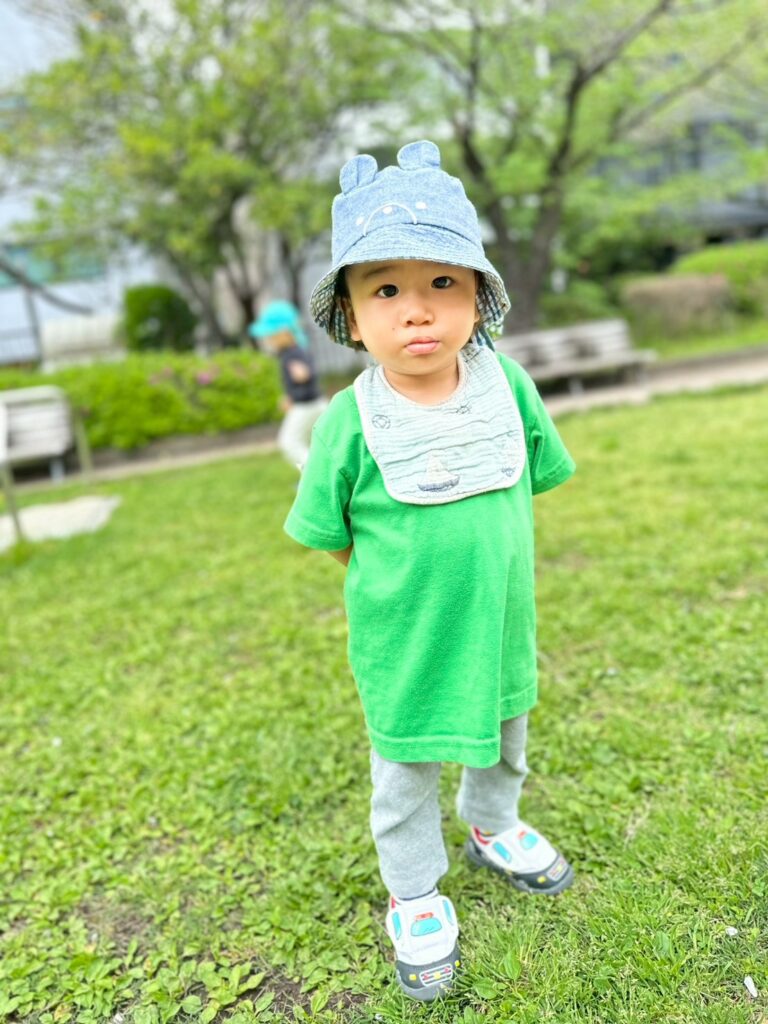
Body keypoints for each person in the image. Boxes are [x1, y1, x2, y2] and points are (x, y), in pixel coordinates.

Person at [284, 141, 576, 1002]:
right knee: (407, 767)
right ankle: (414, 892)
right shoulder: (350, 421)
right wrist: (399, 576)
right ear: (350, 315)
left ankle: (493, 824)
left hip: (501, 619)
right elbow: (330, 531)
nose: (416, 311)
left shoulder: (507, 387)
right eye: (385, 290)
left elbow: (532, 479)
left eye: (442, 282)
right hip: (405, 636)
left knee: (506, 728)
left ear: (478, 295)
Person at [248, 300, 327, 469]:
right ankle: (319, 472)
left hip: (306, 405)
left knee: (289, 442)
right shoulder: (294, 351)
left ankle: (313, 474)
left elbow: (306, 374)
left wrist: (303, 376)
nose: (269, 340)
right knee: (315, 441)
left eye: (271, 335)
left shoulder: (292, 354)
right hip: (313, 403)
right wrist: (290, 396)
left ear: (284, 333)